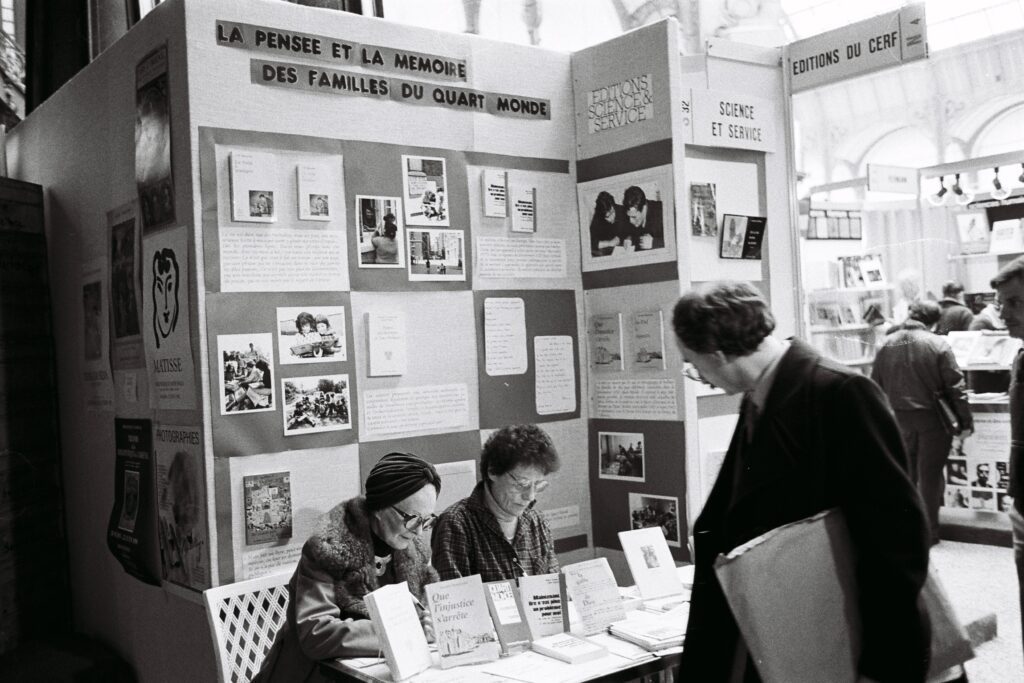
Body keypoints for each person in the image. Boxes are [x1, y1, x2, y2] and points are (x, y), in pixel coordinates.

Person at [671, 281, 930, 683]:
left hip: (837, 631)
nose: (699, 377)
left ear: (716, 355)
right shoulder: (760, 395)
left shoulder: (842, 392)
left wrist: (883, 666)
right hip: (786, 622)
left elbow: (897, 537)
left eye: (692, 364)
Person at [255, 453, 441, 683]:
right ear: (379, 507)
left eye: (427, 520)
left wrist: (431, 622)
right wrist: (400, 633)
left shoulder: (415, 550)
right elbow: (317, 633)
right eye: (412, 518)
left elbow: (423, 612)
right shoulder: (328, 548)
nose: (419, 531)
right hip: (312, 676)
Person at [871, 300, 973, 545]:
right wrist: (965, 421)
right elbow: (956, 387)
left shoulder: (886, 343)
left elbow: (875, 384)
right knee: (930, 476)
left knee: (906, 474)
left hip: (899, 418)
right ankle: (929, 532)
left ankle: (907, 529)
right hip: (933, 419)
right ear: (934, 321)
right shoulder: (938, 344)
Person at [431, 424, 560, 581]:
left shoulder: (537, 522)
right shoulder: (455, 524)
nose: (530, 496)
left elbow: (553, 585)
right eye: (521, 484)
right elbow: (454, 594)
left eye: (538, 485)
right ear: (493, 471)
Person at [621, 185, 663, 250]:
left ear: (644, 208)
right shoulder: (635, 214)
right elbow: (632, 231)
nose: (630, 221)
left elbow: (677, 239)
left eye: (634, 217)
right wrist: (629, 238)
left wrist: (654, 243)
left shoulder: (662, 212)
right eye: (628, 217)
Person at [589, 191, 623, 255]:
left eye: (612, 212)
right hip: (607, 253)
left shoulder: (622, 210)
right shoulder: (598, 217)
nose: (612, 218)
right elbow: (589, 242)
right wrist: (609, 243)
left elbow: (632, 230)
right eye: (607, 216)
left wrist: (628, 238)